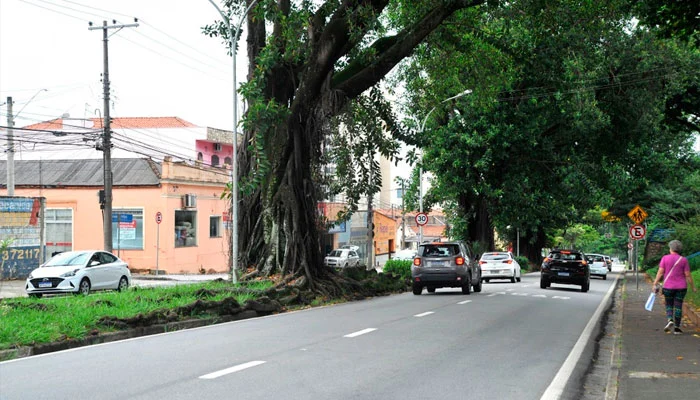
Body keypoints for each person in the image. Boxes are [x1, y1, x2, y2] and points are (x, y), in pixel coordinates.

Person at [652, 240, 697, 334]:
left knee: (669, 304)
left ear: (671, 248)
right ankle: (677, 328)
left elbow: (660, 272)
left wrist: (655, 283)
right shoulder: (683, 260)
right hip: (681, 287)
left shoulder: (665, 258)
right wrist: (693, 287)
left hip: (668, 287)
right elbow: (688, 275)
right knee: (678, 306)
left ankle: (670, 319)